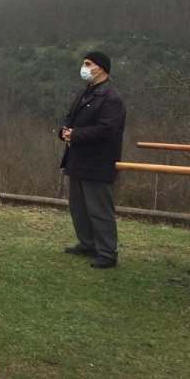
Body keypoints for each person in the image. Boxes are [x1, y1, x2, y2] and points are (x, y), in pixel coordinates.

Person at [59, 51, 126, 269]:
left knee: (99, 209)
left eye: (88, 64)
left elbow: (106, 130)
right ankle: (87, 243)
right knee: (79, 207)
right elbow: (70, 116)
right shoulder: (85, 93)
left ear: (101, 68)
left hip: (98, 162)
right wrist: (64, 131)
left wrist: (76, 135)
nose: (84, 67)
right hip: (77, 159)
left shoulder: (112, 98)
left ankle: (107, 252)